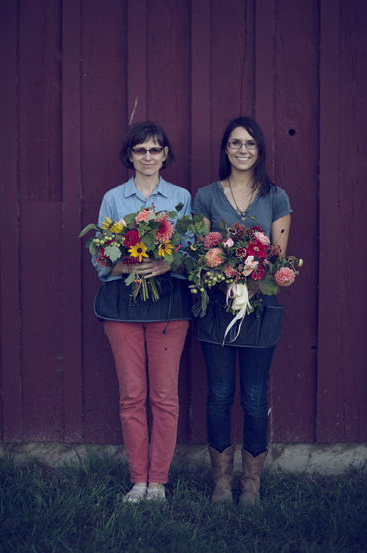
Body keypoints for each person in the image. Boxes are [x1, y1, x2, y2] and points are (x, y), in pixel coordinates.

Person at [192, 116, 292, 505]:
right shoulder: (206, 196)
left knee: (253, 395)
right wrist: (226, 275)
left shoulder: (276, 197)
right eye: (235, 143)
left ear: (259, 149)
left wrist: (251, 277)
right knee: (218, 393)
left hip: (260, 308)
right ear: (226, 149)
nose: (243, 150)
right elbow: (202, 254)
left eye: (250, 143)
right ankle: (221, 481)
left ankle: (250, 483)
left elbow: (279, 260)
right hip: (216, 308)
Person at [92, 122, 192, 502]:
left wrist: (168, 264)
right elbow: (101, 256)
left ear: (165, 154)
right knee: (132, 396)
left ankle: (158, 482)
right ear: (130, 155)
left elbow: (192, 251)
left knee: (164, 397)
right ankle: (138, 479)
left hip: (168, 307)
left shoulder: (181, 197)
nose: (148, 157)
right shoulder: (114, 199)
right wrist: (127, 264)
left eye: (155, 150)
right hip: (123, 308)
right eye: (140, 150)